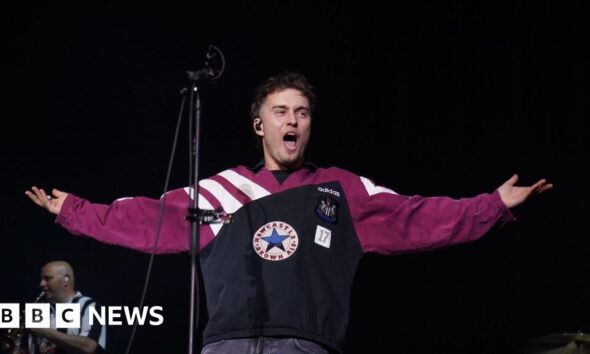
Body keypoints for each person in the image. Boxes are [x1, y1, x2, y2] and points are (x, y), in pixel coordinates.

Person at [25, 72, 552, 353]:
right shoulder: (223, 190)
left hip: (305, 343)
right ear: (261, 125)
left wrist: (489, 206)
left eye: (301, 112)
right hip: (226, 344)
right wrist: (73, 210)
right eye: (281, 111)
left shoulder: (342, 190)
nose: (292, 120)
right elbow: (144, 218)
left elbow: (416, 216)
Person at [24, 261, 106, 354]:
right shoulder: (41, 309)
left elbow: (89, 346)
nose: (41, 284)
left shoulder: (88, 306)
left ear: (65, 279)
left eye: (47, 279)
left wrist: (45, 332)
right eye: (42, 279)